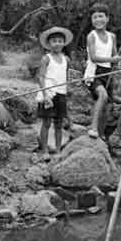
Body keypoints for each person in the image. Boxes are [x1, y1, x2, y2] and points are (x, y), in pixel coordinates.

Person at [83, 3, 120, 139]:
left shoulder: (112, 36)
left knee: (106, 105)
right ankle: (93, 128)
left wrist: (117, 61)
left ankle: (101, 133)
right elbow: (93, 57)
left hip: (108, 72)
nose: (98, 19)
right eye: (95, 17)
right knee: (102, 96)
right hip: (94, 72)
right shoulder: (91, 36)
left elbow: (115, 55)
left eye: (101, 16)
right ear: (92, 21)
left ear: (107, 18)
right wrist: (112, 59)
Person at [35, 26, 73, 155]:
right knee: (46, 122)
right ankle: (44, 150)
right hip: (49, 93)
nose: (57, 43)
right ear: (49, 44)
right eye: (54, 41)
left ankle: (58, 151)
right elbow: (41, 77)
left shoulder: (66, 59)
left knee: (59, 123)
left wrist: (68, 89)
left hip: (61, 94)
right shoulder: (46, 58)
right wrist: (45, 95)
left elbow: (66, 76)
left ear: (64, 43)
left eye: (60, 41)